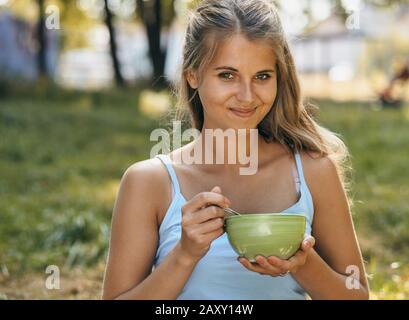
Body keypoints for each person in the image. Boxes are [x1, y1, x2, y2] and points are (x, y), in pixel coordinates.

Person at [102, 0, 369, 300]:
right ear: (192, 76)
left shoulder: (313, 171)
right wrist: (184, 255)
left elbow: (356, 294)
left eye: (262, 77)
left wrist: (303, 264)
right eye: (227, 75)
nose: (246, 96)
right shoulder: (148, 182)